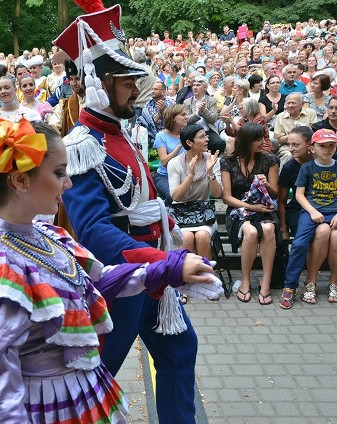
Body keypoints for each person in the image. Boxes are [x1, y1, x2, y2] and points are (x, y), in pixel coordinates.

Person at [0, 118, 216, 423]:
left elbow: (98, 280)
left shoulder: (42, 232)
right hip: (39, 408)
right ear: (20, 180)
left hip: (77, 395)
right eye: (59, 173)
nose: (69, 183)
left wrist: (167, 270)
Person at [54, 4, 217, 422]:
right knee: (93, 379)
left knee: (180, 350)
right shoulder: (81, 144)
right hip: (120, 281)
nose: (135, 89)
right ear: (100, 83)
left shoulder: (121, 132)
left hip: (155, 274)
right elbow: (93, 231)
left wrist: (171, 235)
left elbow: (144, 200)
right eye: (127, 81)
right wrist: (165, 262)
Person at [279, 129, 337, 308]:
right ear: (313, 148)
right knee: (299, 243)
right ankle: (290, 286)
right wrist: (312, 212)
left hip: (335, 211)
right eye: (322, 146)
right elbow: (299, 194)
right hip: (310, 212)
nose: (327, 149)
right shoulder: (306, 168)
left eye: (331, 146)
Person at [221, 122, 279, 305]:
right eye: (258, 139)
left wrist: (267, 185)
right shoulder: (228, 162)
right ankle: (245, 280)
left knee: (268, 229)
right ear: (247, 141)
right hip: (239, 210)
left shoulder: (269, 160)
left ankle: (266, 283)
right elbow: (227, 198)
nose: (262, 142)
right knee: (251, 232)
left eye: (263, 137)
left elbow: (276, 194)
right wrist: (251, 207)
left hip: (265, 208)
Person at [168, 124, 222, 261]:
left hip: (203, 212)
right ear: (189, 142)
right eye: (202, 137)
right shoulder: (175, 163)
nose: (207, 139)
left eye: (206, 136)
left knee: (202, 236)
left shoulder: (212, 160)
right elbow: (176, 197)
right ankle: (184, 279)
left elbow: (217, 194)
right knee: (186, 237)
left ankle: (207, 277)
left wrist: (210, 172)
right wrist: (190, 176)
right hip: (181, 212)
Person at [153, 104, 188, 206]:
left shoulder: (186, 133)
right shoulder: (161, 136)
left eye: (186, 114)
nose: (187, 117)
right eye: (183, 115)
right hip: (164, 176)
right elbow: (164, 161)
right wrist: (179, 145)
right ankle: (168, 219)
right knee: (173, 196)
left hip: (183, 175)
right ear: (173, 118)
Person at [183, 74, 225, 154]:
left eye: (198, 85)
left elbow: (213, 119)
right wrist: (197, 113)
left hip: (208, 131)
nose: (195, 87)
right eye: (194, 85)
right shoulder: (187, 102)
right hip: (193, 132)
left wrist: (204, 111)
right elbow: (186, 120)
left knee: (218, 142)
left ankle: (211, 161)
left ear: (205, 88)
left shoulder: (211, 100)